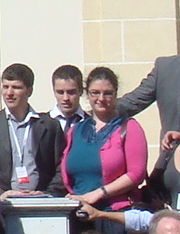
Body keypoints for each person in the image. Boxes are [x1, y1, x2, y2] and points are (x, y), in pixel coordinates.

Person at [60, 68, 148, 211]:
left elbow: (137, 173)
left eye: (107, 93)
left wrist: (98, 194)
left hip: (114, 212)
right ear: (87, 94)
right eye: (95, 93)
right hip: (78, 212)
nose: (101, 99)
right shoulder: (75, 131)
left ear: (115, 94)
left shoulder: (129, 128)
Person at [0, 64, 63, 196]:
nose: (9, 93)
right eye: (5, 87)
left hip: (40, 201)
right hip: (0, 201)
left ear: (29, 91)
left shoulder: (49, 126)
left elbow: (61, 167)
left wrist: (48, 194)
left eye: (16, 88)